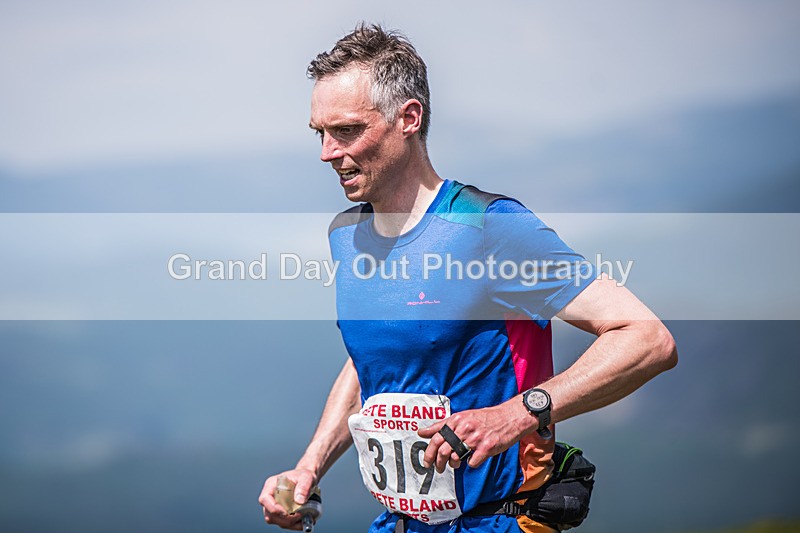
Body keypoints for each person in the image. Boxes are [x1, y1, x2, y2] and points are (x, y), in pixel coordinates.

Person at [258, 23, 677, 533]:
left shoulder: (489, 228)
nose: (327, 152)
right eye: (319, 133)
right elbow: (376, 354)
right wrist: (310, 467)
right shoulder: (348, 235)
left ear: (408, 118)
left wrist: (515, 415)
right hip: (399, 523)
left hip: (498, 522)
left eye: (346, 130)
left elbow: (647, 338)